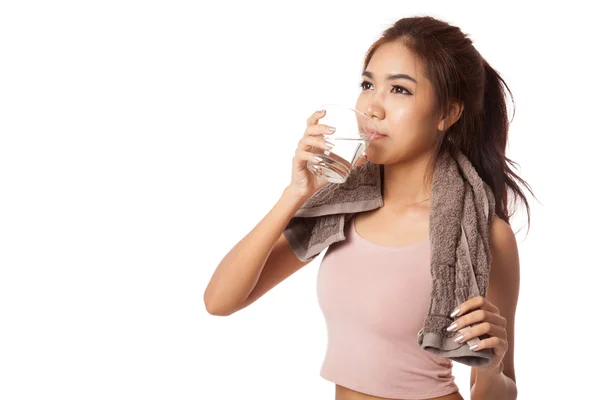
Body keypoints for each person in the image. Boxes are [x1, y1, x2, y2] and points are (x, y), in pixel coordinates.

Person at [204, 15, 532, 400]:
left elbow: (502, 388)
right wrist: (294, 193)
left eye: (400, 90)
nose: (373, 107)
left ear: (448, 114)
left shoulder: (483, 234)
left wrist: (491, 369)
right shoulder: (342, 208)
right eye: (367, 84)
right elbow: (220, 301)